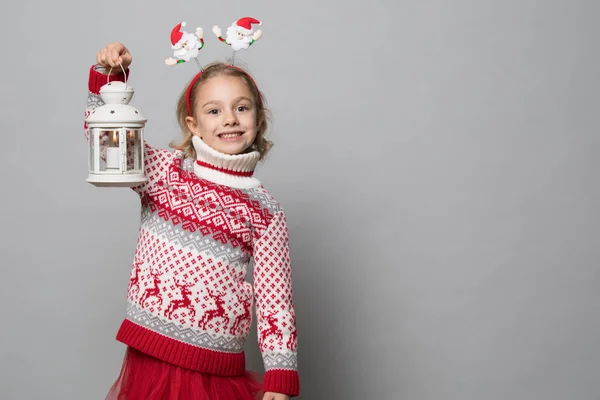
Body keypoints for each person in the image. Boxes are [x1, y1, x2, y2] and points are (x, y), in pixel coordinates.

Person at [85, 42, 299, 400]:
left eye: (241, 108)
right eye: (214, 111)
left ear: (258, 120)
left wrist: (281, 371)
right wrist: (109, 81)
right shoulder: (165, 172)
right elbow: (107, 140)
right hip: (150, 356)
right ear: (193, 124)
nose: (229, 119)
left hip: (215, 369)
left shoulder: (265, 211)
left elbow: (276, 298)